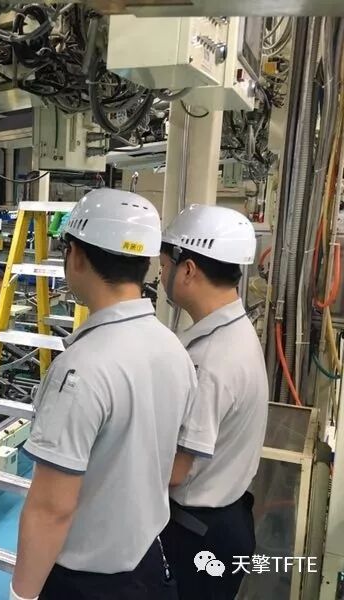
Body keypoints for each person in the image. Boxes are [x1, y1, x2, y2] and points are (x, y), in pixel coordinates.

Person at [11, 188, 198, 600]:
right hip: (149, 568)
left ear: (76, 256)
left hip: (86, 584)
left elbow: (51, 509)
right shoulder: (173, 349)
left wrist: (21, 596)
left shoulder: (81, 369)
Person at [159, 204, 267, 600]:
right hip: (223, 521)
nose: (160, 275)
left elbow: (175, 471)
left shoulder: (211, 360)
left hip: (196, 536)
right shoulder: (234, 333)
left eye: (164, 265)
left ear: (187, 269)